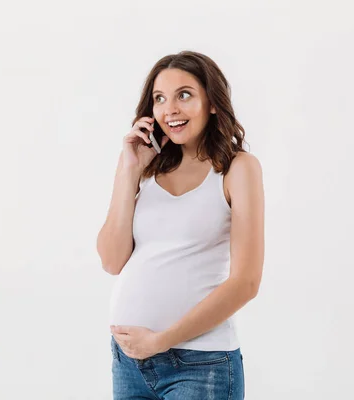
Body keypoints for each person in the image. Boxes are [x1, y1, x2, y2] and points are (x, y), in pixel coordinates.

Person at [96, 50, 265, 399]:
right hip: (129, 362)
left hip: (200, 364)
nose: (169, 109)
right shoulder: (145, 169)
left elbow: (246, 283)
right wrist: (128, 171)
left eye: (184, 95)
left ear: (212, 103)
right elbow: (112, 261)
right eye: (160, 99)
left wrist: (161, 341)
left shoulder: (238, 169)